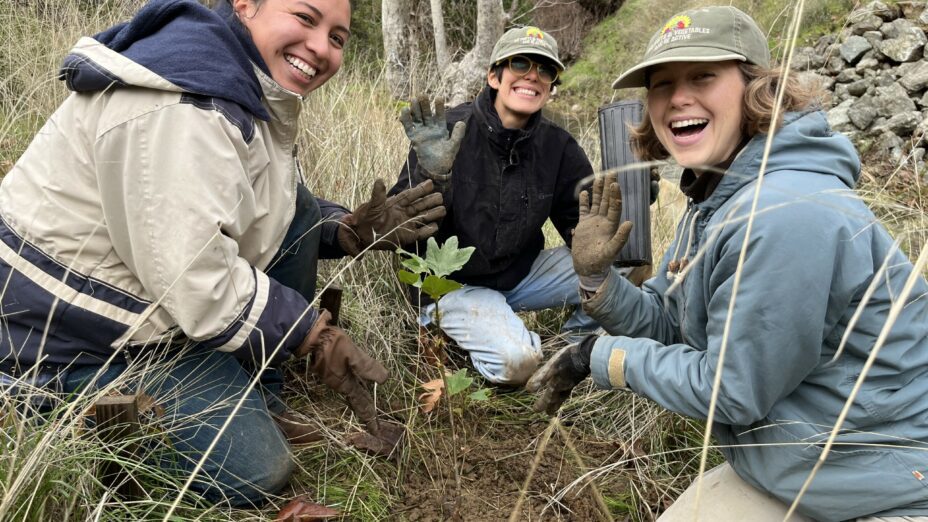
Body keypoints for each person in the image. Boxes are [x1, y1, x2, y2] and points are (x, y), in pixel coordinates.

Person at [0, 0, 443, 507]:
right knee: (258, 471)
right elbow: (197, 278)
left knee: (298, 208)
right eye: (304, 17)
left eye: (338, 37)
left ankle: (259, 395)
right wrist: (311, 334)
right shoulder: (187, 108)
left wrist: (342, 230)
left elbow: (253, 204)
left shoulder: (242, 82)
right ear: (246, 5)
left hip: (142, 292)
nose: (321, 47)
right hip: (67, 333)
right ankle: (55, 412)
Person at [527, 5, 928, 521]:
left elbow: (732, 391)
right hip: (794, 463)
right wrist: (597, 281)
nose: (677, 99)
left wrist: (597, 357)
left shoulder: (785, 212)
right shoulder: (716, 201)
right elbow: (671, 324)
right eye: (661, 84)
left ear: (757, 88)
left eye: (703, 76)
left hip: (885, 484)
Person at [391, 26, 652, 386]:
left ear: (551, 85)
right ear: (494, 76)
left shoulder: (557, 146)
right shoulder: (445, 131)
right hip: (451, 286)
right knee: (518, 363)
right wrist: (434, 177)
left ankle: (569, 353)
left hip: (520, 275)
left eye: (545, 70)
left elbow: (586, 228)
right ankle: (466, 345)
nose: (533, 75)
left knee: (625, 265)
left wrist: (631, 199)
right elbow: (398, 229)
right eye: (520, 63)